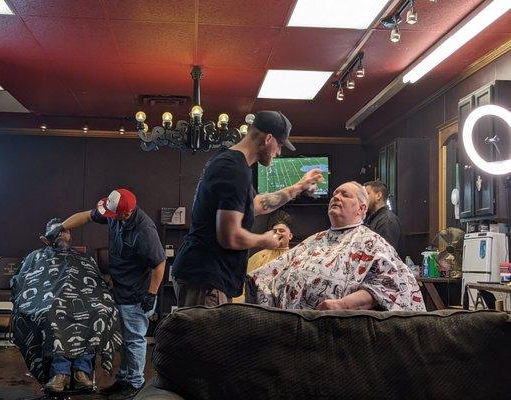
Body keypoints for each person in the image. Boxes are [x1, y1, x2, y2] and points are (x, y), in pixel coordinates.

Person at [171, 111, 323, 307]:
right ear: (268, 138)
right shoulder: (234, 169)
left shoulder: (230, 161)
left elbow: (256, 205)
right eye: (279, 146)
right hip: (206, 280)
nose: (278, 153)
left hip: (203, 276)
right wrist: (264, 240)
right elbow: (230, 237)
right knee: (206, 339)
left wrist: (298, 187)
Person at [43, 188, 166, 399]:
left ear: (125, 214)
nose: (108, 218)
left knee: (134, 339)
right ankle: (124, 379)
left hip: (137, 293)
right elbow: (85, 216)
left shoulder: (145, 231)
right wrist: (61, 227)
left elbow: (159, 263)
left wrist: (151, 293)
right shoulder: (115, 215)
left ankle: (134, 384)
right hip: (120, 287)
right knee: (124, 340)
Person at [247, 181, 425, 312]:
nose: (336, 197)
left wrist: (344, 305)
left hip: (337, 329)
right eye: (334, 195)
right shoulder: (315, 239)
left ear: (361, 208)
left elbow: (393, 285)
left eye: (345, 195)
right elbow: (270, 273)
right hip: (292, 328)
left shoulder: (372, 243)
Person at [11, 218, 122, 393]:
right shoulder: (36, 256)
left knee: (99, 311)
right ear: (47, 237)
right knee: (52, 312)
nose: (62, 234)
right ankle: (60, 372)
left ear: (70, 235)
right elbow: (21, 282)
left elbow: (97, 285)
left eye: (65, 231)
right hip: (49, 303)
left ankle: (81, 371)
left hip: (85, 301)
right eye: (57, 231)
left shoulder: (83, 258)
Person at [364, 181, 402, 254]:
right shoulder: (371, 218)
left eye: (367, 194)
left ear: (378, 195)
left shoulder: (387, 221)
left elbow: (384, 255)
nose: (363, 198)